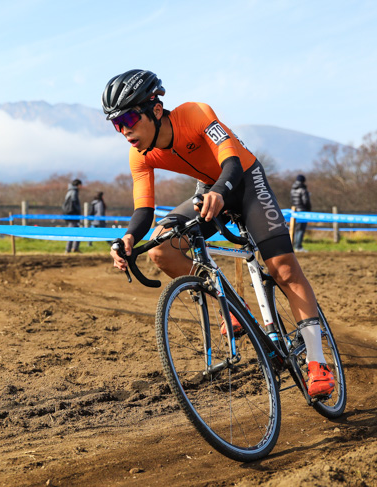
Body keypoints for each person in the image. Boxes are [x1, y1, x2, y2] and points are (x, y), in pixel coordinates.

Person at [102, 69, 334, 397]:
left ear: (155, 109)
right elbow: (144, 210)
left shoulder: (195, 113)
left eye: (128, 118)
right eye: (116, 123)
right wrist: (127, 238)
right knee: (159, 248)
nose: (124, 130)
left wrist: (221, 192)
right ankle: (236, 308)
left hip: (243, 179)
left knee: (282, 268)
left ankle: (317, 362)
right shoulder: (139, 155)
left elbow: (233, 162)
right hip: (209, 190)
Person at [290, 174, 312, 252]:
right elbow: (306, 201)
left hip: (295, 211)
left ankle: (295, 245)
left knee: (296, 229)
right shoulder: (303, 190)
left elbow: (292, 200)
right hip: (303, 212)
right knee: (301, 229)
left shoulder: (292, 189)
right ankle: (298, 246)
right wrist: (309, 209)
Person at [62, 179, 82, 253]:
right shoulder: (74, 192)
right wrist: (78, 211)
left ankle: (74, 248)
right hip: (73, 215)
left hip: (70, 215)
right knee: (72, 232)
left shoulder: (69, 191)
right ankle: (68, 249)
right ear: (78, 185)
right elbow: (74, 203)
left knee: (76, 231)